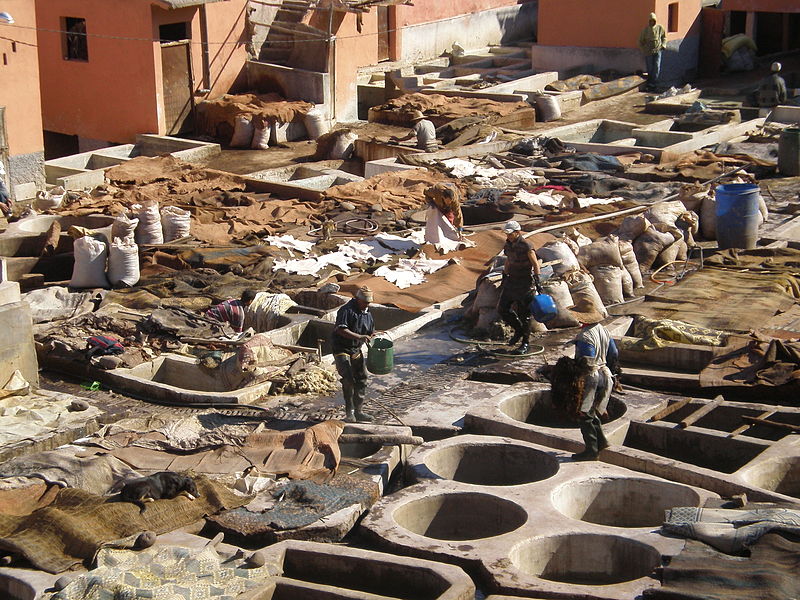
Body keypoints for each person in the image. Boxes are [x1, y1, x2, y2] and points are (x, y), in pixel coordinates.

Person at [570, 313, 619, 461]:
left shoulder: (585, 336)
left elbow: (587, 360)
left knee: (584, 414)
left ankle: (591, 451)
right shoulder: (603, 330)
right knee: (592, 411)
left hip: (592, 379)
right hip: (606, 375)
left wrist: (575, 374)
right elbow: (614, 353)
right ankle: (602, 442)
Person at [498, 220, 542, 355]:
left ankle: (525, 342)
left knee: (525, 315)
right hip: (512, 281)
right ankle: (518, 330)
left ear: (517, 233)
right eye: (507, 233)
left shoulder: (526, 246)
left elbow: (535, 264)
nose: (508, 236)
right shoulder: (508, 245)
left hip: (525, 283)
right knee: (503, 309)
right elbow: (508, 260)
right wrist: (504, 274)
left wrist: (537, 279)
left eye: (510, 234)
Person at [332, 286, 375, 423]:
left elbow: (369, 331)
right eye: (364, 302)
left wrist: (371, 336)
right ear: (358, 299)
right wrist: (359, 336)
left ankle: (359, 411)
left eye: (368, 303)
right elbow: (341, 329)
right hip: (342, 348)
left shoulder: (367, 313)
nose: (366, 305)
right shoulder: (346, 310)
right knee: (348, 379)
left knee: (362, 378)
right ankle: (349, 412)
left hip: (355, 349)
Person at [638, 12, 667, 91]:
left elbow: (664, 37)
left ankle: (655, 82)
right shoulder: (645, 30)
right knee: (650, 68)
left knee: (657, 67)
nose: (652, 22)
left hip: (658, 50)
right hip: (648, 52)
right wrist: (643, 50)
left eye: (653, 20)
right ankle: (650, 83)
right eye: (650, 21)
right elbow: (640, 41)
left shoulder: (660, 28)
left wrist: (663, 45)